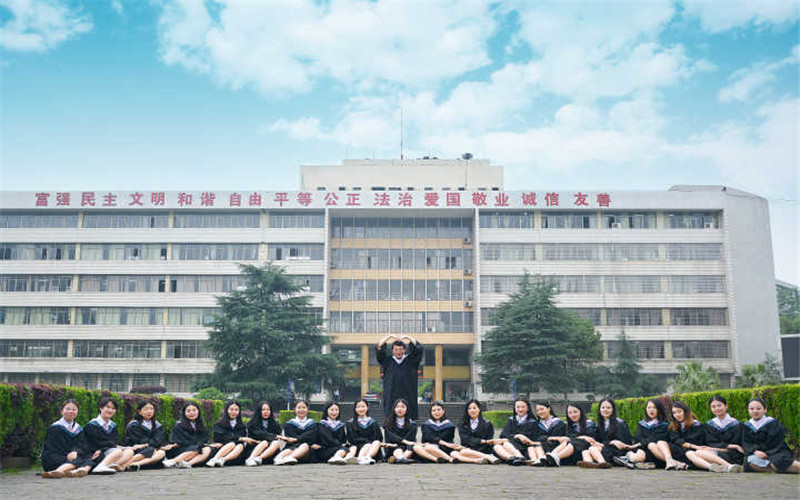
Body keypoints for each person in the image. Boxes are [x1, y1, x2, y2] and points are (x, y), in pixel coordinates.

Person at [741, 397, 800, 474]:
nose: (755, 411)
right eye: (751, 409)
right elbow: (746, 443)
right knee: (749, 462)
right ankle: (778, 469)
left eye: (758, 408)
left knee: (778, 460)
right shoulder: (746, 425)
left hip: (776, 451)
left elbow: (777, 442)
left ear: (765, 410)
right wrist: (755, 451)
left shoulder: (773, 423)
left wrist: (766, 453)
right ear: (748, 410)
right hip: (758, 453)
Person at [41, 399, 94, 478]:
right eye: (68, 409)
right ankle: (59, 471)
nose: (71, 411)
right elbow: (51, 448)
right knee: (81, 460)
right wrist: (68, 455)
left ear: (77, 412)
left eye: (74, 409)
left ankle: (78, 471)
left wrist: (75, 451)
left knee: (89, 458)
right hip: (55, 457)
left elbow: (81, 445)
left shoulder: (78, 428)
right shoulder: (55, 428)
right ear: (62, 411)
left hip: (72, 457)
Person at [376, 334, 424, 420]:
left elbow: (418, 348)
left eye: (401, 349)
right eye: (396, 349)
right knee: (391, 417)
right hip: (391, 393)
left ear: (405, 350)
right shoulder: (387, 361)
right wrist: (389, 336)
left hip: (408, 393)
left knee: (408, 417)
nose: (398, 351)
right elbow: (379, 347)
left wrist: (407, 337)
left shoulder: (411, 361)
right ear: (392, 351)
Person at [84, 396, 135, 474]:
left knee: (130, 451)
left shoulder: (113, 425)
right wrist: (113, 448)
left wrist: (122, 447)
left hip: (110, 451)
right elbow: (95, 443)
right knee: (118, 451)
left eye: (113, 408)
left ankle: (110, 466)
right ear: (101, 408)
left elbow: (113, 442)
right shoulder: (92, 425)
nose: (110, 410)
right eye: (108, 407)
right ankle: (100, 466)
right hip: (97, 453)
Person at [614, 398, 669, 470]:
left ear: (659, 409)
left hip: (655, 451)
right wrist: (640, 445)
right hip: (643, 448)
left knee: (642, 453)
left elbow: (656, 438)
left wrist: (640, 444)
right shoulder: (642, 424)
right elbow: (638, 438)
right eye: (649, 407)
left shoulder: (664, 425)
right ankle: (630, 458)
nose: (651, 410)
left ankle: (629, 458)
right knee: (640, 454)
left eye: (654, 408)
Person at [697, 395, 745, 473]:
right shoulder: (709, 425)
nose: (716, 408)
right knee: (698, 453)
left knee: (700, 453)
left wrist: (732, 446)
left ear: (726, 406)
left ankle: (725, 466)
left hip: (732, 455)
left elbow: (738, 445)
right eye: (713, 407)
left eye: (719, 405)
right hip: (718, 452)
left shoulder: (736, 424)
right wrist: (732, 446)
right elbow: (711, 442)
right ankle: (727, 467)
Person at [162, 402, 212, 469]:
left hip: (196, 449)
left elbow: (204, 440)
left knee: (207, 449)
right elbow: (177, 441)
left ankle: (187, 464)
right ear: (184, 413)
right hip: (180, 450)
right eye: (188, 411)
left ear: (198, 412)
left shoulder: (202, 426)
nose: (191, 413)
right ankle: (173, 461)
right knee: (198, 448)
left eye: (194, 410)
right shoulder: (179, 425)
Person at [123, 399, 167, 471]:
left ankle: (136, 464)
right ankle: (128, 463)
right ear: (139, 411)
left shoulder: (157, 425)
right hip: (137, 450)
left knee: (161, 452)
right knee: (152, 450)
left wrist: (146, 445)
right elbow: (138, 441)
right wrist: (148, 445)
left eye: (151, 409)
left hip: (152, 449)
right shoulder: (134, 425)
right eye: (146, 409)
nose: (149, 411)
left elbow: (158, 440)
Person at [454, 399, 501, 464]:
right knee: (455, 453)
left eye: (474, 408)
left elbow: (489, 440)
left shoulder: (487, 424)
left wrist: (481, 442)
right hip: (469, 449)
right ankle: (486, 458)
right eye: (469, 409)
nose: (472, 410)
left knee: (463, 452)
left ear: (479, 409)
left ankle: (483, 457)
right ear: (467, 411)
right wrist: (481, 441)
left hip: (483, 449)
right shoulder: (462, 424)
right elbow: (465, 439)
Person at [594, 398, 638, 466]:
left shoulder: (620, 423)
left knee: (593, 449)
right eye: (603, 407)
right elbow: (598, 441)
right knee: (587, 451)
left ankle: (603, 464)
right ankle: (596, 464)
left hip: (618, 452)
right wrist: (607, 443)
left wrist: (606, 443)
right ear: (599, 410)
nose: (605, 410)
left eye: (608, 407)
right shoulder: (599, 424)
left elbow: (621, 442)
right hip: (604, 448)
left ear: (613, 409)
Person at [565, 404, 610, 469]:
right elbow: (568, 437)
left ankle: (603, 463)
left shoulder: (589, 424)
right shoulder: (569, 425)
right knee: (585, 452)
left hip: (595, 448)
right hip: (582, 451)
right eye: (570, 413)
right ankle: (590, 464)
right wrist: (581, 437)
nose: (573, 415)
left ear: (581, 412)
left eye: (575, 412)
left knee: (588, 450)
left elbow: (591, 439)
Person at [274, 400, 318, 465]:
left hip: (308, 451)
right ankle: (278, 458)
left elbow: (311, 437)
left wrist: (297, 439)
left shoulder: (312, 423)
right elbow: (290, 440)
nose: (301, 410)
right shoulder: (289, 424)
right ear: (294, 410)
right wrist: (297, 440)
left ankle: (289, 457)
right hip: (293, 447)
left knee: (304, 445)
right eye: (299, 407)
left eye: (304, 407)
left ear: (307, 409)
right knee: (293, 447)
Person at [497, 398, 539, 465]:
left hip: (524, 447)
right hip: (512, 446)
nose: (520, 409)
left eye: (523, 407)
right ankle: (515, 458)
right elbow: (503, 435)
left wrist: (517, 437)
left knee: (506, 444)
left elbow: (531, 438)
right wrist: (516, 436)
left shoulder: (533, 422)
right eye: (518, 407)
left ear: (528, 408)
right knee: (497, 447)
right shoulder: (511, 420)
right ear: (515, 408)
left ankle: (519, 457)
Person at [666, 401, 705, 470]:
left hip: (692, 453)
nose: (677, 415)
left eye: (679, 411)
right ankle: (676, 463)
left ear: (685, 411)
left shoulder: (696, 425)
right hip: (678, 452)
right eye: (674, 413)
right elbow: (675, 439)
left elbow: (696, 442)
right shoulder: (673, 426)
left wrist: (686, 444)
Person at [207, 400, 248, 467]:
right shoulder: (219, 424)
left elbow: (241, 440)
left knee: (240, 446)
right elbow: (220, 438)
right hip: (222, 449)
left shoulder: (241, 426)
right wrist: (237, 439)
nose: (234, 412)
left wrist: (237, 439)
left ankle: (222, 460)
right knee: (232, 444)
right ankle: (214, 459)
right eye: (231, 409)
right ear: (226, 410)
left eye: (236, 410)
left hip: (235, 455)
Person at [532, 401, 572, 467]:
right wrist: (550, 438)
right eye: (537, 410)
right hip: (544, 446)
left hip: (556, 447)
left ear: (549, 409)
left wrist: (548, 438)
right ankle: (541, 460)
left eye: (542, 409)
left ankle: (545, 459)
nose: (539, 412)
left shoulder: (558, 423)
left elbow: (562, 438)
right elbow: (536, 437)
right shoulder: (537, 424)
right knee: (538, 446)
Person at [245, 401, 283, 466]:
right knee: (264, 442)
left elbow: (278, 434)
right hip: (255, 447)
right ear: (259, 411)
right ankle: (251, 459)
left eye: (268, 410)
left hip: (270, 451)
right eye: (263, 410)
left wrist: (274, 438)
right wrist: (274, 437)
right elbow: (259, 434)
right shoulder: (252, 424)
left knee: (276, 443)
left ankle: (261, 458)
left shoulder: (275, 424)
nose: (266, 412)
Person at [345, 399, 383, 465]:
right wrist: (366, 442)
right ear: (355, 409)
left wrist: (369, 443)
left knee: (376, 442)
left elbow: (379, 437)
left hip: (372, 449)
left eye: (363, 406)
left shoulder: (373, 422)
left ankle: (366, 458)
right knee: (367, 445)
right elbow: (351, 439)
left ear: (367, 408)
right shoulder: (350, 423)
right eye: (358, 407)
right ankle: (361, 458)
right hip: (358, 448)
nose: (361, 409)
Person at [383, 399, 418, 464]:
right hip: (393, 447)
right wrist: (403, 441)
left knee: (411, 447)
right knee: (397, 448)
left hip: (407, 447)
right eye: (397, 407)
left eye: (402, 407)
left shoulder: (413, 424)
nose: (400, 409)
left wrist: (404, 442)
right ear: (394, 409)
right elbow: (390, 437)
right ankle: (403, 459)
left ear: (407, 409)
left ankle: (398, 460)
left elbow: (410, 438)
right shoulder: (388, 423)